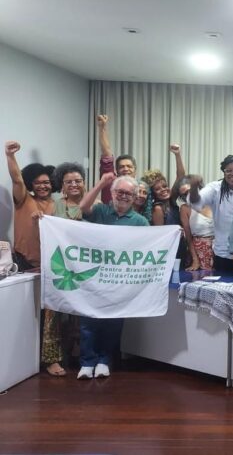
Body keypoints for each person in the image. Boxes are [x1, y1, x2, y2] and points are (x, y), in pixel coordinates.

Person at [78, 173, 149, 379]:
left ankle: (103, 360)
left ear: (135, 196)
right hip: (93, 276)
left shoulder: (141, 222)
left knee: (113, 322)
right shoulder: (100, 210)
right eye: (120, 192)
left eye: (129, 193)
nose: (124, 196)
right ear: (112, 193)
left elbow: (147, 249)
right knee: (88, 320)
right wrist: (101, 182)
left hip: (119, 280)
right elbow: (82, 208)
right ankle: (86, 362)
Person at [40, 161, 87, 377]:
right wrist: (37, 220)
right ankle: (52, 359)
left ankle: (78, 352)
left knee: (81, 311)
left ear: (84, 182)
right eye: (69, 182)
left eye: (77, 180)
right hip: (59, 267)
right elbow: (47, 228)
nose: (74, 184)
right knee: (54, 312)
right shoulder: (56, 205)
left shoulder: (93, 203)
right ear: (62, 185)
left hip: (85, 267)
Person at [189, 154, 233, 272]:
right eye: (228, 171)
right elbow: (196, 202)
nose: (232, 174)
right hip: (223, 254)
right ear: (224, 173)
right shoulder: (215, 188)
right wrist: (193, 187)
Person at [4, 140, 56, 271]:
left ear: (53, 183)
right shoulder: (24, 199)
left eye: (46, 182)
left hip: (50, 263)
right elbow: (17, 180)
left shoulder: (58, 205)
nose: (42, 186)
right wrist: (10, 156)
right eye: (37, 183)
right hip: (23, 262)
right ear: (31, 184)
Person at [96, 114, 138, 204]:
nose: (126, 169)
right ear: (117, 170)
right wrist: (102, 127)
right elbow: (106, 152)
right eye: (122, 167)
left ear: (135, 169)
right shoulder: (110, 182)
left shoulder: (142, 189)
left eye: (129, 166)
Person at [176, 175, 214, 271]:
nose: (188, 195)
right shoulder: (185, 209)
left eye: (189, 190)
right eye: (184, 194)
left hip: (220, 250)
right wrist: (195, 259)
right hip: (200, 253)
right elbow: (188, 238)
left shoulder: (213, 202)